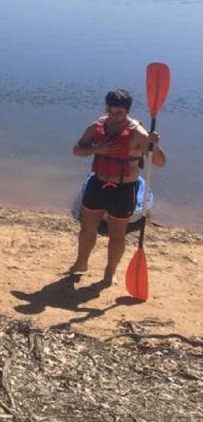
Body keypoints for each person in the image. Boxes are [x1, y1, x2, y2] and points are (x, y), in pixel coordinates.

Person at [70, 89, 165, 286]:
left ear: (127, 111)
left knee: (117, 235)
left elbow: (159, 162)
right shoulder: (96, 127)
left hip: (124, 189)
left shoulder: (138, 134)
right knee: (87, 229)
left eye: (118, 113)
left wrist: (154, 145)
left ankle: (109, 271)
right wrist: (97, 149)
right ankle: (81, 263)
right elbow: (77, 150)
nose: (113, 117)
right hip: (98, 184)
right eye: (110, 111)